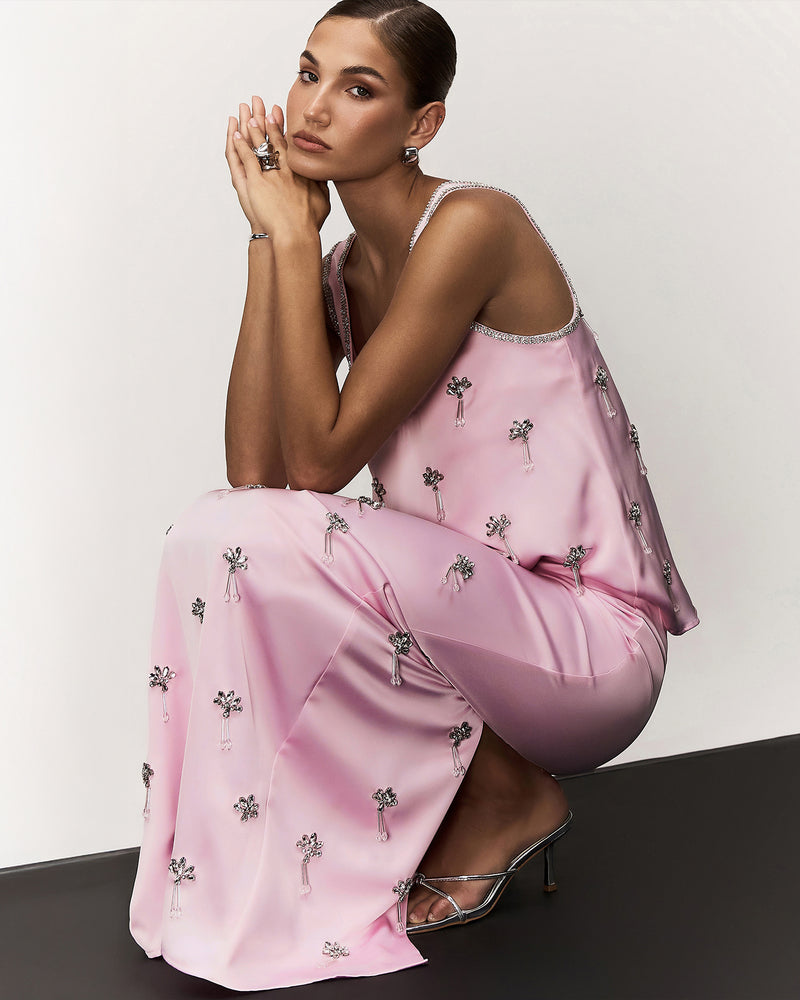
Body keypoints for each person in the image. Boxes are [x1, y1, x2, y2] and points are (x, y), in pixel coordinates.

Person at [128, 0, 699, 990]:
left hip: (587, 647)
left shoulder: (474, 224)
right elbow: (255, 476)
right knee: (208, 534)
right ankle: (477, 788)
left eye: (358, 88)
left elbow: (315, 470)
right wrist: (272, 243)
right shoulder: (343, 270)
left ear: (421, 124)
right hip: (472, 634)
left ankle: (507, 794)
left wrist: (290, 241)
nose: (313, 107)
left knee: (257, 533)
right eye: (309, 73)